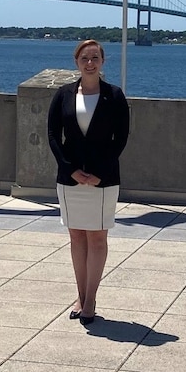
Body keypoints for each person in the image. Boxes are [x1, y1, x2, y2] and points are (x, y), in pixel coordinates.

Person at [46, 39, 131, 323]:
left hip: (103, 180)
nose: (90, 63)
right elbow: (53, 136)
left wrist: (100, 173)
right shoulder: (63, 95)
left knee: (97, 238)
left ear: (102, 61)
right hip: (69, 180)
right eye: (85, 58)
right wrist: (70, 169)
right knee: (76, 236)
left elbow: (120, 139)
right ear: (77, 62)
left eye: (95, 57)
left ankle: (91, 298)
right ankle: (80, 296)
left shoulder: (115, 96)